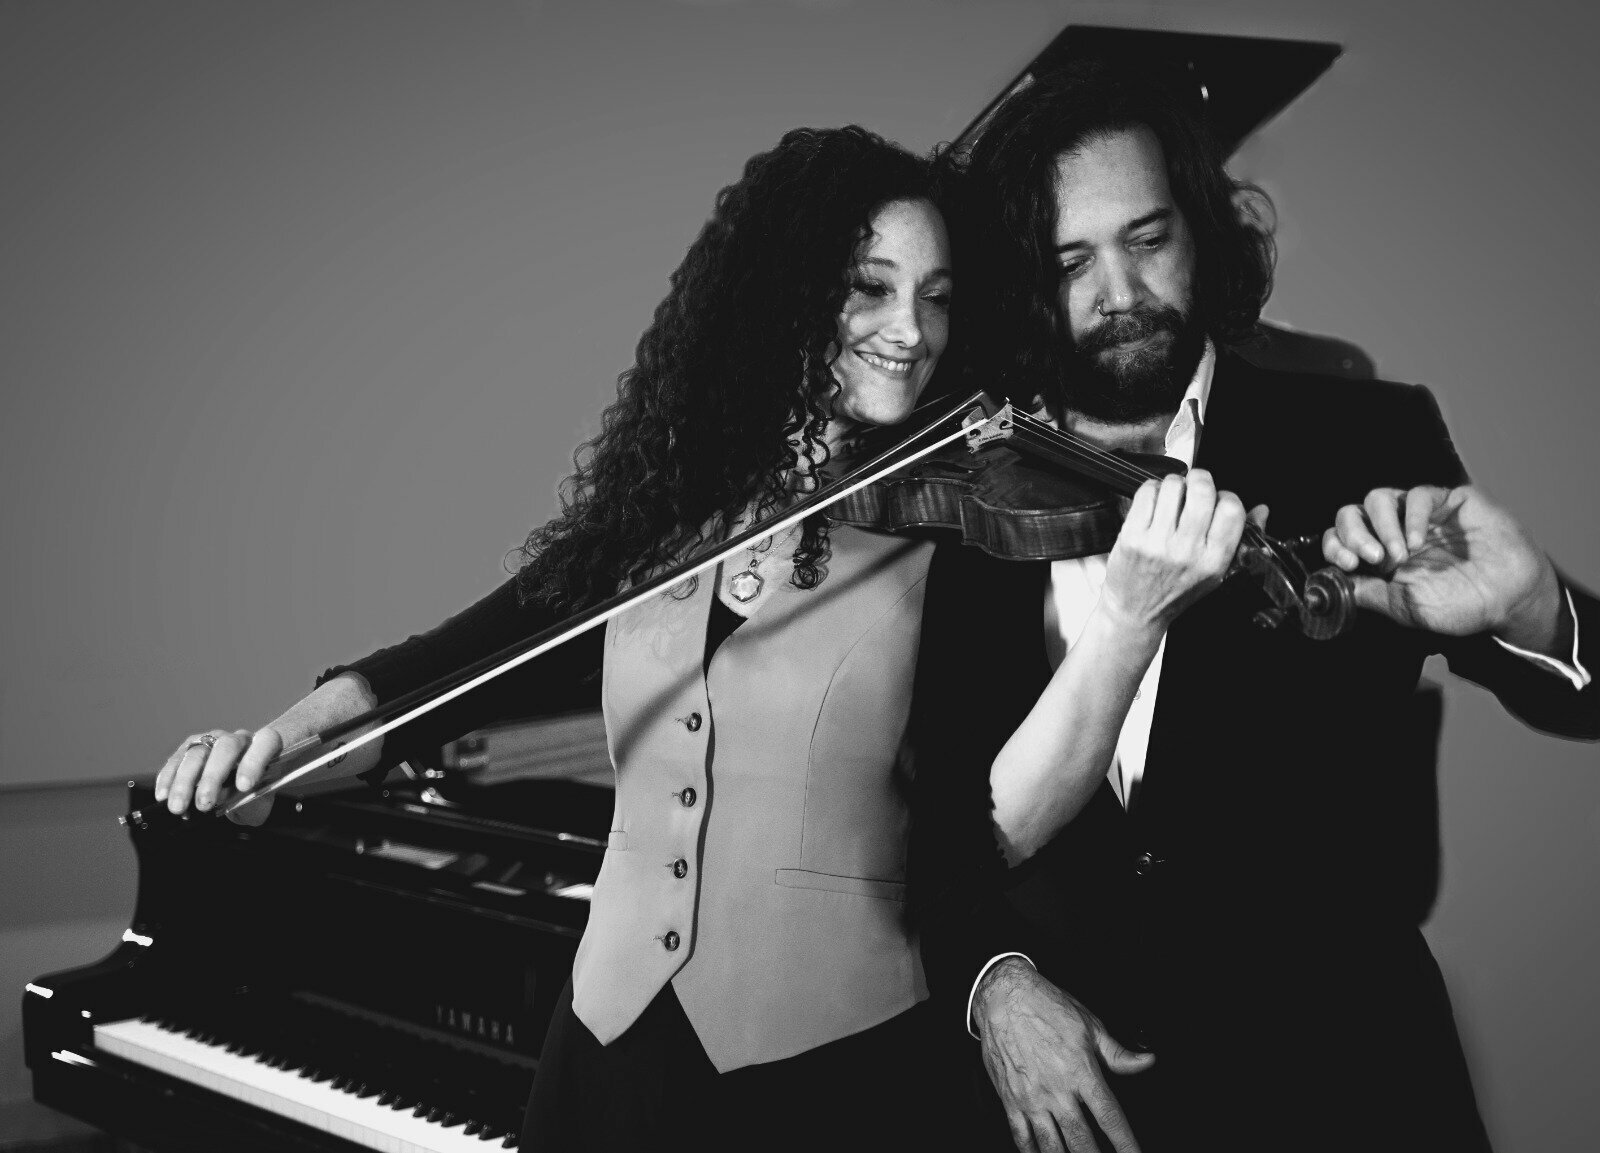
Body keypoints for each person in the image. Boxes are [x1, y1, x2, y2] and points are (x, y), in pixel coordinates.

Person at [151, 125, 989, 1151]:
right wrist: (272, 746)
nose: (911, 328)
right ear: (784, 293)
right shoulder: (657, 524)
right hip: (607, 1052)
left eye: (937, 296)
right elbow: (436, 679)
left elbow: (985, 828)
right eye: (871, 286)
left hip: (832, 1077)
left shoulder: (956, 541)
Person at [919, 62, 1599, 1153]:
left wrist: (1535, 611)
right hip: (1090, 1105)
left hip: (1349, 1087)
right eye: (1069, 262)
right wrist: (990, 982)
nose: (1120, 293)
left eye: (1147, 239)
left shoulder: (1365, 438)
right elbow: (926, 817)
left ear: (1200, 230)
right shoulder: (966, 494)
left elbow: (1584, 697)